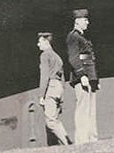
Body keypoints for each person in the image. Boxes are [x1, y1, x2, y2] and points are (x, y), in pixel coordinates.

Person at [67, 9, 100, 144]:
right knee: (83, 109)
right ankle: (81, 140)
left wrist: (95, 79)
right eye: (85, 20)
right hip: (83, 78)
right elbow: (73, 58)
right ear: (78, 21)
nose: (88, 22)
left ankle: (92, 138)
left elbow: (89, 59)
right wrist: (82, 75)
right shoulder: (73, 36)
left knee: (91, 110)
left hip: (89, 78)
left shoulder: (82, 37)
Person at [37, 32, 71, 145]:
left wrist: (41, 95)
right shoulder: (57, 56)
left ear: (46, 42)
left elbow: (44, 76)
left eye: (40, 41)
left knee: (50, 121)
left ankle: (67, 143)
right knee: (54, 118)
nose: (38, 44)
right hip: (58, 88)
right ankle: (59, 145)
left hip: (50, 87)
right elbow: (63, 78)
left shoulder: (45, 55)